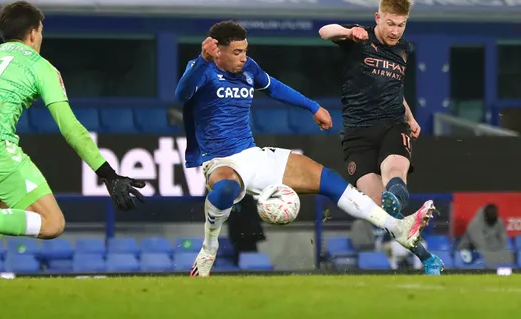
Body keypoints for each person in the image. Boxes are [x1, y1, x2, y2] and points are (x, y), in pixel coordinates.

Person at [175, 20, 435, 277]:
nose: (244, 57)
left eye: (245, 51)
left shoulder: (249, 69)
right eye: (237, 52)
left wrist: (313, 107)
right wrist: (201, 60)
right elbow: (182, 94)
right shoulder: (202, 69)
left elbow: (275, 87)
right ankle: (209, 247)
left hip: (251, 155)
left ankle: (396, 226)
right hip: (220, 161)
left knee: (329, 179)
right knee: (227, 188)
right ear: (216, 51)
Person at [0, 1, 145, 278]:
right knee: (52, 224)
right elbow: (69, 126)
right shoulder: (40, 66)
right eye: (41, 32)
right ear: (33, 33)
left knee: (7, 200)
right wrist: (108, 174)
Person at [318, 0, 444, 275]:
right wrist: (349, 33)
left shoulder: (403, 50)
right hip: (356, 134)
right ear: (378, 18)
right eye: (390, 23)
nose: (395, 30)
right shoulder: (358, 39)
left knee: (395, 175)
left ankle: (396, 195)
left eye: (401, 25)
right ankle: (428, 258)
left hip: (392, 124)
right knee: (383, 213)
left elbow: (394, 89)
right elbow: (324, 31)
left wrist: (410, 118)